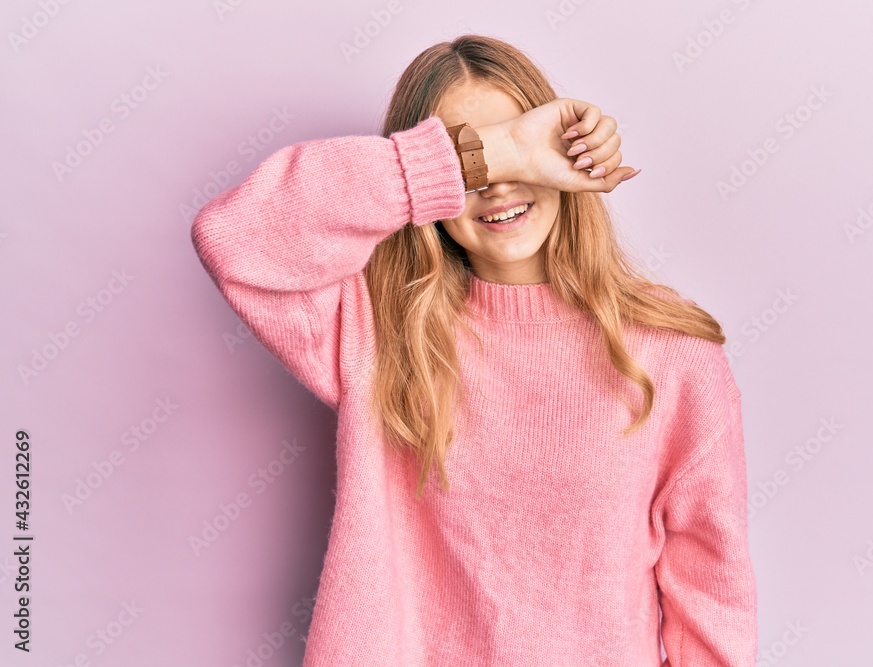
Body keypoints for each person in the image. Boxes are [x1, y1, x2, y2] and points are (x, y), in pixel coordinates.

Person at [191, 34, 756, 667]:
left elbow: (712, 591)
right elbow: (233, 236)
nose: (498, 185)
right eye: (471, 162)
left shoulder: (672, 355)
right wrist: (507, 148)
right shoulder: (377, 330)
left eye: (519, 148)